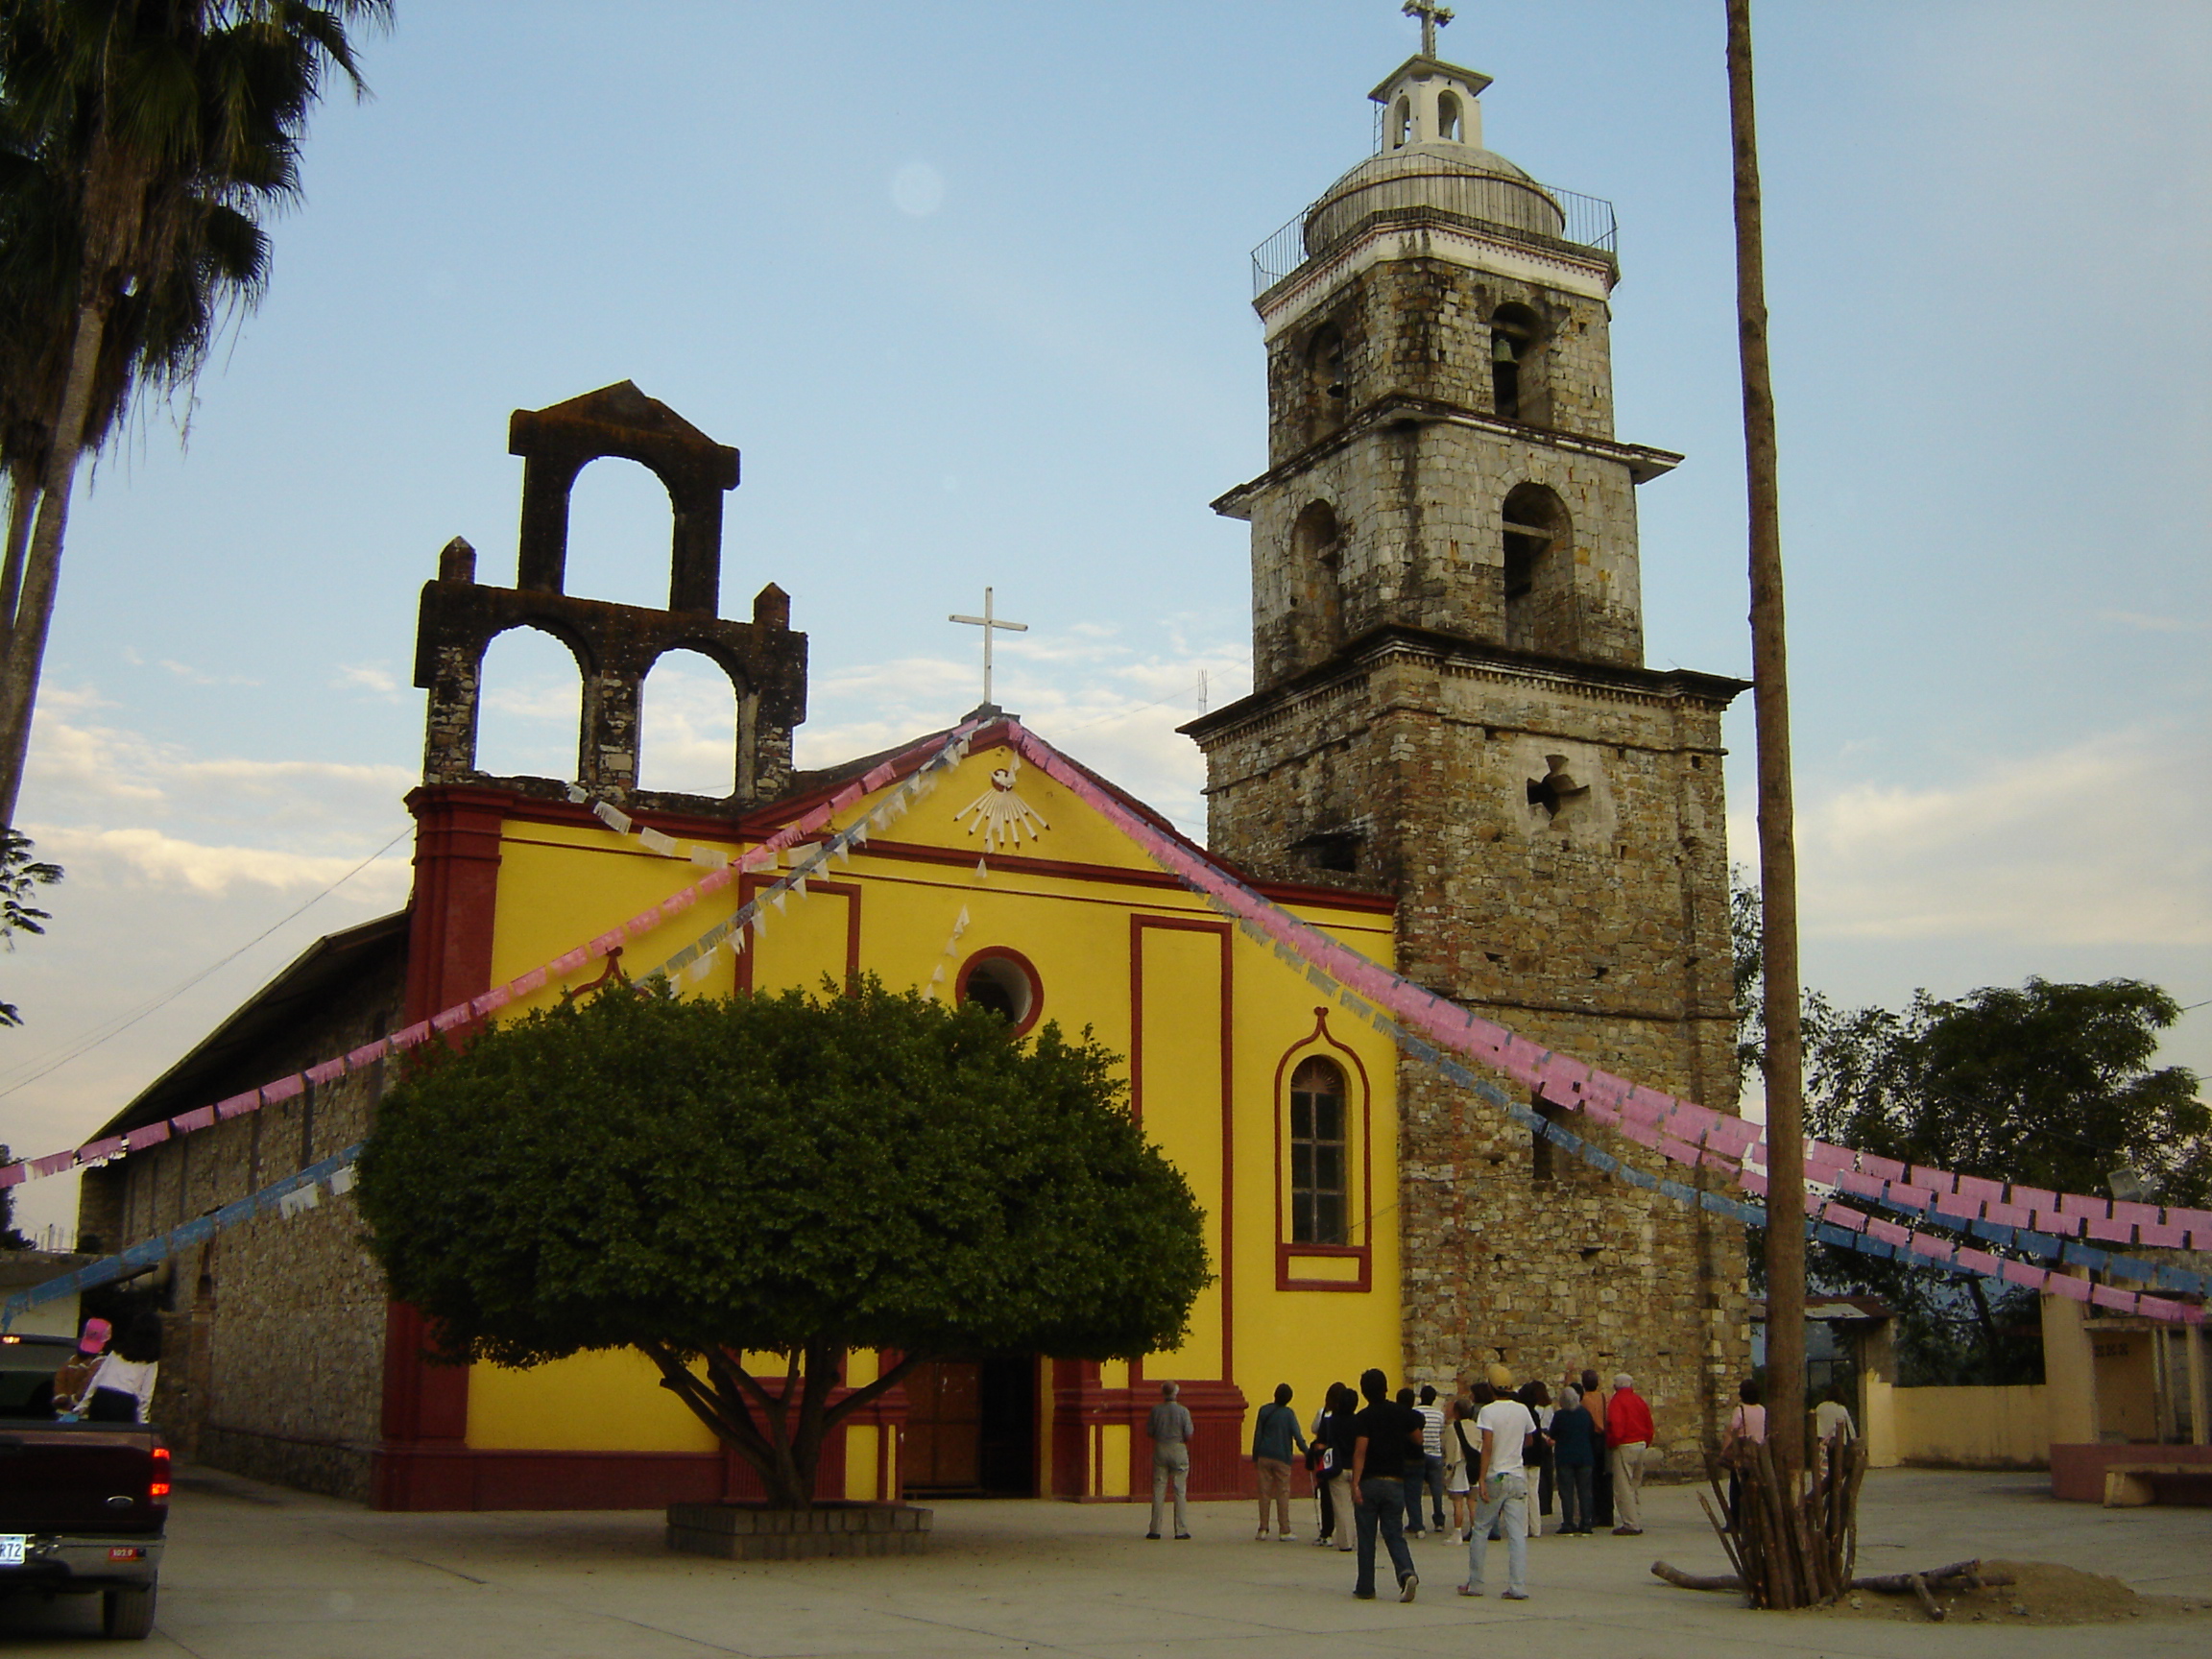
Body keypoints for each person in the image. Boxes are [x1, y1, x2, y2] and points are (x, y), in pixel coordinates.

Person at [1349, 1367, 1422, 1601]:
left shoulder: (1363, 1417)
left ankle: (1366, 1586)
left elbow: (1360, 1451)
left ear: (1364, 1392)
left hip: (1370, 1481)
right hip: (1395, 1481)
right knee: (1393, 1532)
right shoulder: (1401, 1412)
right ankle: (1406, 1572)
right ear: (1386, 1387)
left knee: (1367, 1535)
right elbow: (1418, 1438)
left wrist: (1355, 1483)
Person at [1458, 1381, 1534, 1600]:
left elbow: (1487, 1447)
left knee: (1481, 1529)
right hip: (1516, 1475)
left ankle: (1476, 1582)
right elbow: (1530, 1438)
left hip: (1496, 1474)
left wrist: (1481, 1478)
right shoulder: (1522, 1410)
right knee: (1517, 1533)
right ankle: (1518, 1585)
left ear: (1491, 1389)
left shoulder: (1488, 1412)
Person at [1251, 1382, 1308, 1540]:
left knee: (1264, 1493)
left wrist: (1256, 1455)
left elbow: (1258, 1435)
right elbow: (1297, 1436)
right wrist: (1307, 1452)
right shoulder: (1289, 1414)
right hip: (1282, 1458)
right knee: (1282, 1493)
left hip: (1264, 1455)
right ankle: (1284, 1530)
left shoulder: (1264, 1410)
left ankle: (1263, 1529)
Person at [84, 1318, 160, 1424]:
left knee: (97, 1436)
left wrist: (84, 1403)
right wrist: (142, 1420)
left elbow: (97, 1378)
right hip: (125, 1402)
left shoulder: (116, 1352)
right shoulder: (150, 1361)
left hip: (102, 1396)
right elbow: (146, 1395)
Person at [1606, 1372, 1654, 1537]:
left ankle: (1630, 1523)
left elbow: (1616, 1425)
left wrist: (1612, 1442)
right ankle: (1635, 1517)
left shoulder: (1617, 1401)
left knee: (1623, 1487)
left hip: (1625, 1444)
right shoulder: (1639, 1400)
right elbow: (1648, 1423)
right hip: (1641, 1443)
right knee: (1634, 1484)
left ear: (1615, 1386)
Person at [1146, 1381, 1194, 1540]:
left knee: (1158, 1489)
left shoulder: (1156, 1410)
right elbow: (1189, 1434)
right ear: (1176, 1392)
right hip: (1178, 1447)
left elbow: (1150, 1431)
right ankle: (1180, 1529)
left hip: (1160, 1447)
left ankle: (1155, 1529)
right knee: (1179, 1490)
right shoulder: (1183, 1411)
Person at [1550, 1382, 1597, 1534]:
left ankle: (1568, 1522)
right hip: (1584, 1456)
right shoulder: (1585, 1414)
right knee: (1585, 1491)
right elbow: (1591, 1432)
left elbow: (1553, 1434)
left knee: (1567, 1491)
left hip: (1565, 1457)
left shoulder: (1560, 1416)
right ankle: (1586, 1522)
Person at [1720, 1377, 1767, 1527]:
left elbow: (1733, 1431)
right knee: (1755, 1486)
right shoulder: (1762, 1410)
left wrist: (1725, 1451)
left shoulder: (1740, 1410)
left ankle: (1736, 1520)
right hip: (1758, 1451)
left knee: (1736, 1487)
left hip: (1743, 1452)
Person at [1322, 1382, 1360, 1553]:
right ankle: (1357, 1538)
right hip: (1356, 1466)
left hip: (1337, 1467)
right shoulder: (1358, 1421)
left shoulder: (1332, 1422)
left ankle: (1346, 1542)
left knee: (1341, 1507)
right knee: (1356, 1506)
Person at [51, 1316, 111, 1419]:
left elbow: (59, 1379)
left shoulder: (72, 1359)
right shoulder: (100, 1362)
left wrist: (61, 1397)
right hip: (83, 1414)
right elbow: (87, 1384)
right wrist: (74, 1401)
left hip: (62, 1412)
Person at [1518, 1381, 1555, 1536]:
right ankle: (1536, 1527)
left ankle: (1524, 1528)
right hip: (1536, 1456)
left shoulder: (1523, 1414)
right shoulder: (1535, 1414)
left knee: (1523, 1493)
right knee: (1534, 1493)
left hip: (1524, 1456)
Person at [1580, 1367, 1613, 1527]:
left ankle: (1594, 1513)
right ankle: (1607, 1514)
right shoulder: (1605, 1397)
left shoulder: (1584, 1400)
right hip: (1605, 1438)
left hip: (1592, 1438)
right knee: (1606, 1477)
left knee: (1592, 1479)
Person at [1415, 1384, 1449, 1533]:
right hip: (1435, 1454)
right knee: (1436, 1490)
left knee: (1416, 1490)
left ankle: (1416, 1522)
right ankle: (1439, 1521)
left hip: (1418, 1454)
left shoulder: (1415, 1412)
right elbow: (1440, 1432)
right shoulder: (1439, 1414)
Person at [1442, 1396, 1476, 1540]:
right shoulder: (1476, 1426)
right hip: (1474, 1466)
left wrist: (1447, 1469)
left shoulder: (1452, 1428)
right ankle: (1475, 1530)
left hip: (1459, 1464)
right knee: (1472, 1501)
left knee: (1458, 1502)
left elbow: (1448, 1449)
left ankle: (1457, 1532)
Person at [1814, 1384, 1857, 1449]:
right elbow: (1851, 1431)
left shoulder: (1820, 1407)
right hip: (1838, 1444)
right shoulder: (1841, 1409)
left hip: (1821, 1443)